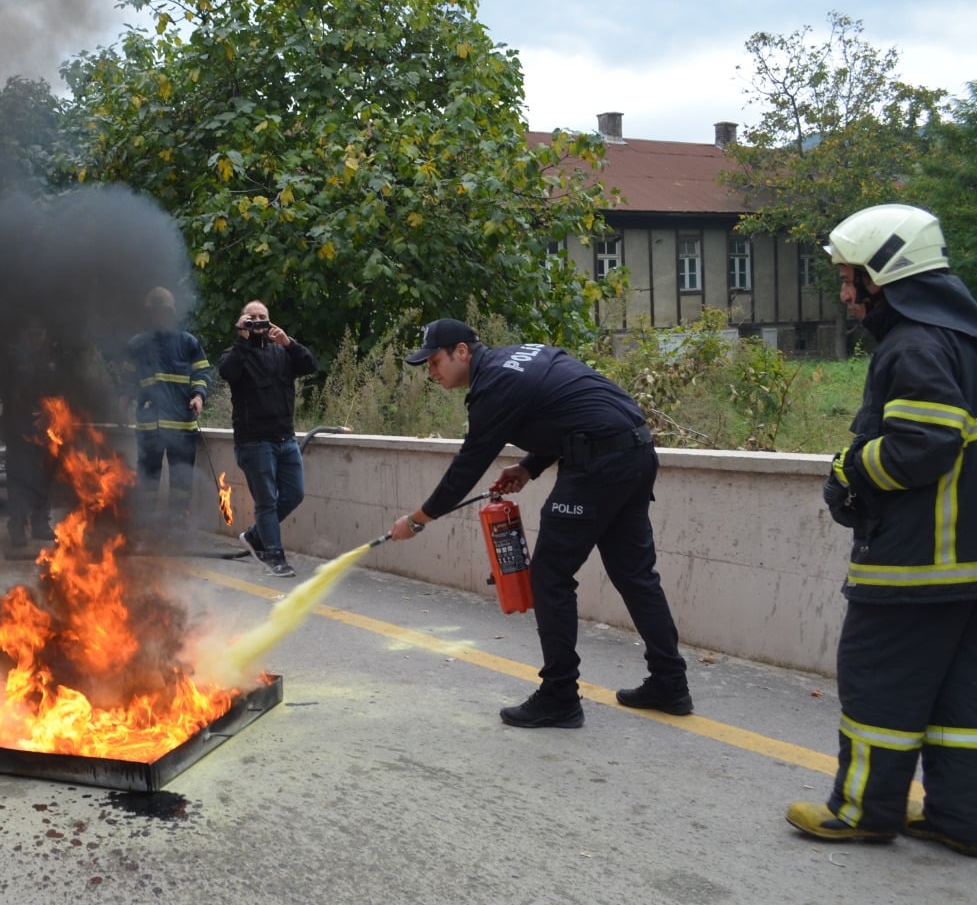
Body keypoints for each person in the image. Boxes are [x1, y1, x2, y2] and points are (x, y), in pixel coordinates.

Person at [784, 204, 977, 856]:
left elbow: (922, 445)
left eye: (849, 278)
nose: (845, 295)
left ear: (884, 274)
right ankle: (961, 817)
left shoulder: (912, 344)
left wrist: (848, 470)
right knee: (959, 701)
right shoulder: (961, 341)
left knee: (877, 682)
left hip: (919, 563)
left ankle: (861, 808)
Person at [387, 319, 689, 728]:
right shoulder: (520, 356)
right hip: (635, 450)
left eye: (435, 361)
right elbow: (567, 410)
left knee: (550, 574)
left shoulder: (491, 387)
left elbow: (467, 468)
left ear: (462, 351)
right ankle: (670, 682)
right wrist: (530, 466)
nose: (431, 371)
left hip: (598, 465)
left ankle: (560, 695)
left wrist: (418, 521)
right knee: (635, 574)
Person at [217, 300, 318, 578]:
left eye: (263, 318)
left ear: (270, 322)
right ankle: (274, 556)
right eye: (252, 318)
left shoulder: (282, 353)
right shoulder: (236, 354)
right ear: (243, 323)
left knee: (294, 494)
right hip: (254, 442)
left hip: (285, 439)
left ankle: (254, 536)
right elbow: (227, 371)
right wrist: (243, 340)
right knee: (266, 502)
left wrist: (289, 343)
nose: (259, 322)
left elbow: (310, 365)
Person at [126, 287, 210, 521]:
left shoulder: (188, 343)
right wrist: (125, 396)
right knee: (147, 480)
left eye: (163, 312)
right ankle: (146, 524)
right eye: (154, 312)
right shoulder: (138, 345)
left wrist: (198, 396)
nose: (158, 316)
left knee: (182, 482)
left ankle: (177, 525)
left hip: (181, 426)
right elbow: (128, 379)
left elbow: (202, 374)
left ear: (171, 313)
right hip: (149, 427)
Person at [0, 319, 56, 548]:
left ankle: (41, 523)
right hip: (18, 429)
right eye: (31, 335)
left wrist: (48, 415)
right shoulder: (12, 360)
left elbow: (58, 391)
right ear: (24, 335)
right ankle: (18, 526)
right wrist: (24, 420)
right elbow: (7, 394)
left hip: (44, 430)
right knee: (19, 479)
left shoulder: (49, 360)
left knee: (44, 477)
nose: (35, 339)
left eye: (39, 334)